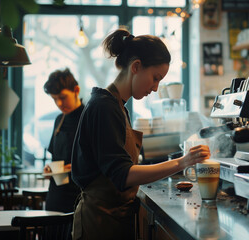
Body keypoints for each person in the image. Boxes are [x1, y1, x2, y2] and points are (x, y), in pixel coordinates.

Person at [71, 28, 211, 240]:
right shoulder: (104, 107)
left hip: (113, 219)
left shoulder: (117, 106)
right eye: (155, 78)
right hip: (99, 224)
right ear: (136, 66)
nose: (155, 88)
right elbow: (122, 174)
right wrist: (183, 162)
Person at [43, 68, 84, 213]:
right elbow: (56, 158)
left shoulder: (87, 118)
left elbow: (95, 161)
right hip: (55, 195)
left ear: (76, 90)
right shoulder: (59, 120)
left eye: (62, 97)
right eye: (54, 99)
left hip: (78, 197)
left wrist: (74, 167)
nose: (59, 103)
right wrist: (49, 169)